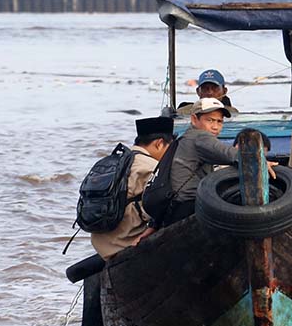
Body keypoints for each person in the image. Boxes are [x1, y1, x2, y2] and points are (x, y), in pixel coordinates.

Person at [88, 116, 174, 259]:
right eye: (169, 147)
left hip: (101, 245)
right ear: (159, 144)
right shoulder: (151, 167)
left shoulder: (117, 160)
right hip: (125, 244)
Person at [152, 97, 240, 228]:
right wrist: (259, 162)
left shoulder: (184, 138)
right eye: (209, 120)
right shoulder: (200, 136)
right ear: (194, 119)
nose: (215, 127)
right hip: (189, 207)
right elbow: (230, 154)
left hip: (174, 207)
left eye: (219, 122)